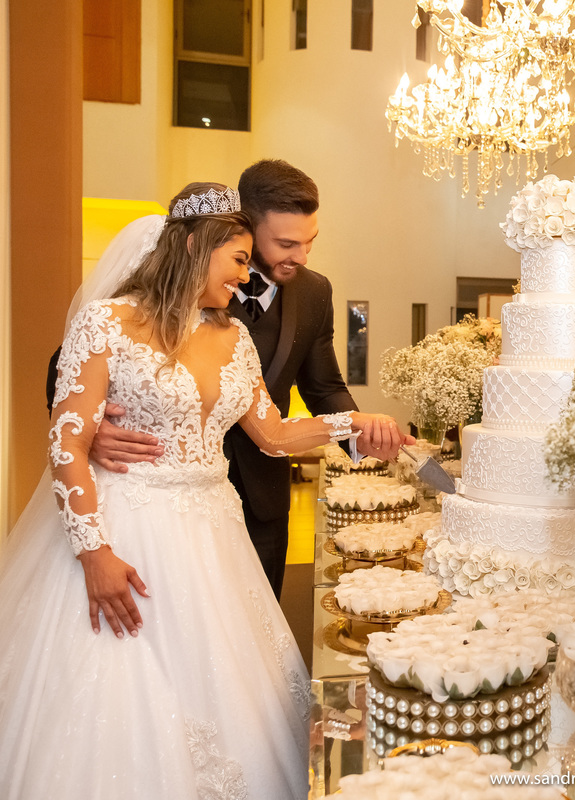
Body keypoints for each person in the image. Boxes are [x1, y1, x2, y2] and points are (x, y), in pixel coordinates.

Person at [0, 182, 404, 798]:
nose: (246, 277)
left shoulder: (234, 339)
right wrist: (94, 553)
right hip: (127, 528)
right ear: (193, 245)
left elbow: (272, 434)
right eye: (239, 259)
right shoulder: (106, 323)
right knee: (124, 683)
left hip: (213, 532)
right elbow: (67, 444)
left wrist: (353, 424)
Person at [46, 160, 404, 598]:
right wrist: (92, 430)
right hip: (138, 498)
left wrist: (356, 428)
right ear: (243, 229)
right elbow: (69, 376)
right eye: (286, 243)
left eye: (309, 243)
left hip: (242, 503)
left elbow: (317, 391)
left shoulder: (299, 300)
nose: (301, 257)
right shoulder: (121, 312)